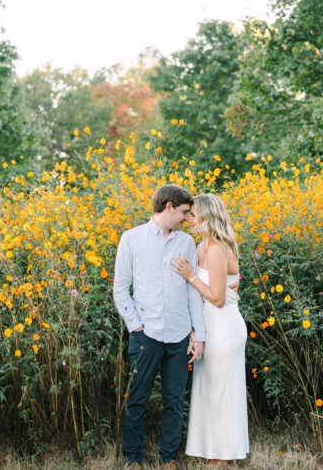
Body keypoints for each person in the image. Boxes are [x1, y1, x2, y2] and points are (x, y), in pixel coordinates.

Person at [113, 184, 206, 470]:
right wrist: (136, 327)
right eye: (184, 212)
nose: (187, 218)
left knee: (174, 401)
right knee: (137, 398)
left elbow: (192, 290)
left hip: (179, 335)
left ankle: (168, 458)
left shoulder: (186, 243)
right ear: (168, 207)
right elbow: (120, 289)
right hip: (146, 335)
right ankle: (132, 459)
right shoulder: (132, 239)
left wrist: (199, 334)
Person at [171, 193, 249, 465]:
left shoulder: (216, 249)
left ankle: (224, 455)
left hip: (223, 327)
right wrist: (196, 328)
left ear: (207, 217)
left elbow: (217, 298)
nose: (189, 220)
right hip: (209, 326)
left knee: (222, 391)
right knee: (209, 390)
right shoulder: (202, 246)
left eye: (194, 215)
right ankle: (213, 451)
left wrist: (190, 276)